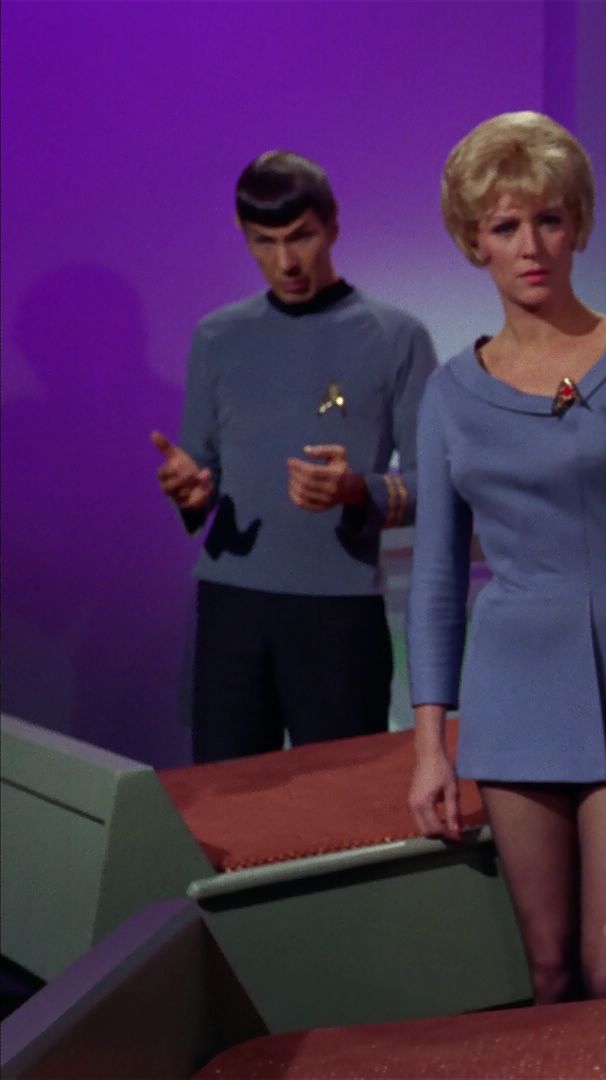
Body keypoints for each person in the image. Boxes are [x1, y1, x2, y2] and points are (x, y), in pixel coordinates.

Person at [406, 111, 606, 1004]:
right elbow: (435, 579)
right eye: (505, 226)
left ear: (577, 224)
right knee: (548, 971)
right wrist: (430, 747)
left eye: (548, 219)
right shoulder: (448, 396)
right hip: (513, 682)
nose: (530, 245)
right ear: (475, 241)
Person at [152, 151, 437, 764]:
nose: (286, 261)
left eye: (300, 236)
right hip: (230, 604)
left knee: (341, 795)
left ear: (333, 224)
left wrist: (355, 490)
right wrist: (191, 492)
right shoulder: (218, 336)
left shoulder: (397, 338)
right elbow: (200, 469)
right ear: (243, 234)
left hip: (338, 612)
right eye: (265, 241)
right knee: (224, 797)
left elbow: (434, 485)